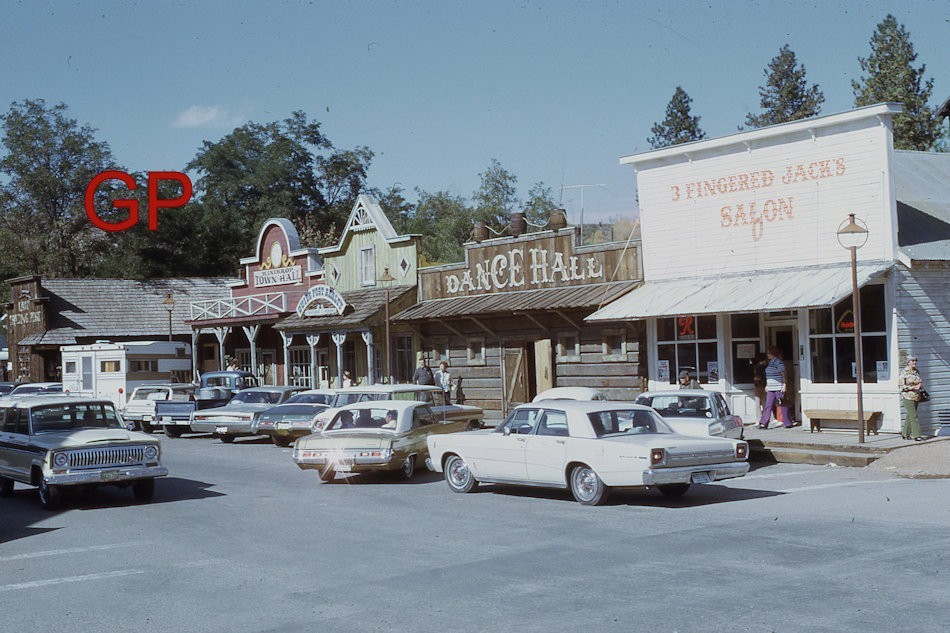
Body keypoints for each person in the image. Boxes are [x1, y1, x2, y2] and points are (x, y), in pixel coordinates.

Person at [758, 346, 791, 429]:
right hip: (770, 387)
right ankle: (764, 423)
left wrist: (784, 385)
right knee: (768, 405)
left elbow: (784, 374)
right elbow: (768, 375)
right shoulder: (770, 362)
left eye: (768, 353)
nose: (767, 355)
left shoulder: (778, 362)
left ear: (773, 353)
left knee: (782, 404)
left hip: (778, 386)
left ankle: (787, 422)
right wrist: (767, 385)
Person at [899, 355, 925, 441]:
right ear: (908, 362)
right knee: (914, 416)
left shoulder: (916, 371)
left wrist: (920, 385)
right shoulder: (904, 373)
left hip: (916, 396)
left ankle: (905, 434)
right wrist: (913, 388)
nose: (914, 362)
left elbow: (920, 381)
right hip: (908, 397)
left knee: (910, 416)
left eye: (915, 361)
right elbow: (901, 387)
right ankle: (916, 435)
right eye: (912, 361)